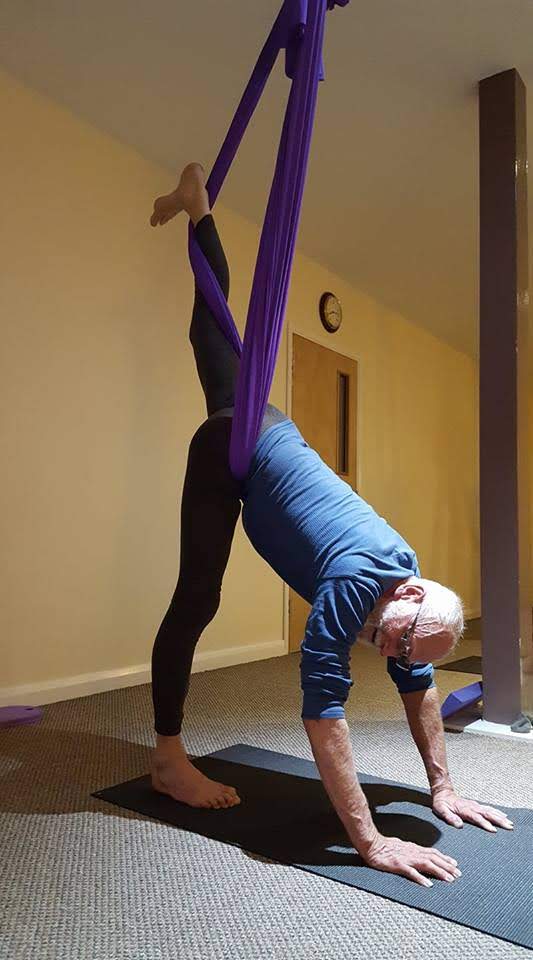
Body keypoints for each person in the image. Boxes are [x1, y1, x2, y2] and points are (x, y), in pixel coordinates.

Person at [149, 163, 514, 888]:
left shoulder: (407, 597)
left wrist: (440, 787)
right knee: (199, 596)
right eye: (387, 639)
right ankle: (166, 757)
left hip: (267, 428)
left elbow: (420, 687)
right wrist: (371, 841)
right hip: (231, 451)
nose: (378, 648)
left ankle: (199, 213)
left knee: (216, 335)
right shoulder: (356, 587)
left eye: (391, 647)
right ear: (407, 597)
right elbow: (324, 717)